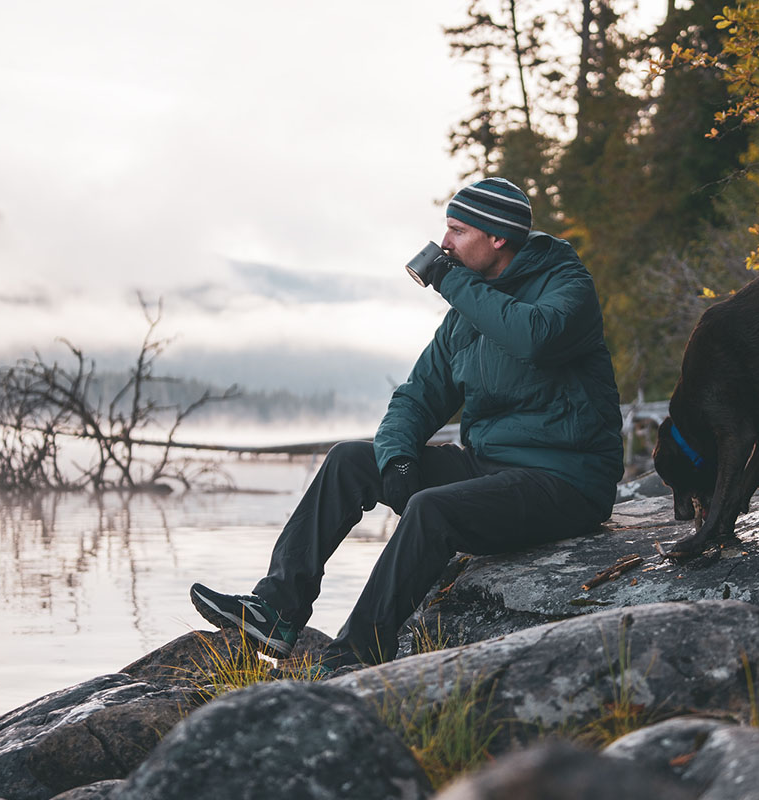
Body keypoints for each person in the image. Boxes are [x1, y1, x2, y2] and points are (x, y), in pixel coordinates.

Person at [191, 177, 624, 674]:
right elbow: (418, 396)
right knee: (350, 461)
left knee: (430, 510)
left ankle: (353, 658)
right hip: (491, 467)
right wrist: (396, 457)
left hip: (567, 481)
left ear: (497, 237)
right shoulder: (467, 314)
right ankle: (276, 610)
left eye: (458, 231)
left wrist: (452, 282)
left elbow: (534, 339)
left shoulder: (567, 286)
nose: (444, 243)